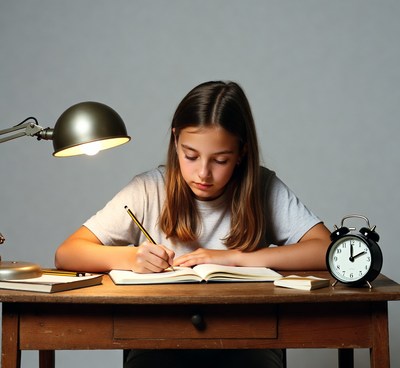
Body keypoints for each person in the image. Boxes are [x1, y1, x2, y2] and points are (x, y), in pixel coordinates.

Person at [55, 80, 331, 368]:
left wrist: (236, 258)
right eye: (190, 156)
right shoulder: (149, 189)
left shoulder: (262, 187)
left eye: (221, 160)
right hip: (158, 341)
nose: (203, 173)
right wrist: (131, 257)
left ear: (242, 152)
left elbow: (325, 249)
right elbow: (67, 253)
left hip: (248, 338)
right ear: (175, 140)